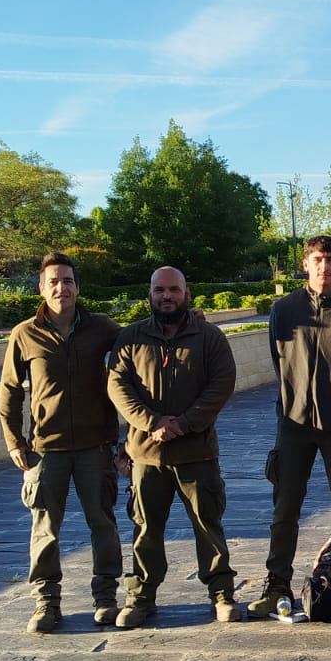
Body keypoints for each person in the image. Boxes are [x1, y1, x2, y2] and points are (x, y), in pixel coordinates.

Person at [250, 235, 331, 621]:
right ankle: (277, 584)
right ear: (306, 264)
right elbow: (279, 359)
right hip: (293, 423)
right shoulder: (284, 310)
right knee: (285, 507)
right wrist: (294, 399)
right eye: (318, 259)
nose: (324, 266)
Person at [106, 265, 239, 628]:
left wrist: (183, 423)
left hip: (197, 453)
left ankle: (221, 593)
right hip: (146, 455)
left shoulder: (209, 337)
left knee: (208, 525)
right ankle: (141, 597)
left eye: (173, 290)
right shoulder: (131, 337)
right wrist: (151, 422)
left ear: (186, 293)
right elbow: (117, 384)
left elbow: (222, 383)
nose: (167, 296)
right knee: (145, 530)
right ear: (149, 296)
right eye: (160, 290)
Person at [0, 252, 123, 634]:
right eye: (53, 281)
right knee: (45, 529)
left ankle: (106, 598)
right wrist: (14, 441)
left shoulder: (101, 327)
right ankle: (46, 603)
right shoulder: (24, 334)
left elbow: (141, 343)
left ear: (77, 287)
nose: (61, 288)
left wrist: (192, 320)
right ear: (41, 288)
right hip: (45, 449)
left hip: (95, 446)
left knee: (102, 523)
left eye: (67, 281)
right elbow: (10, 390)